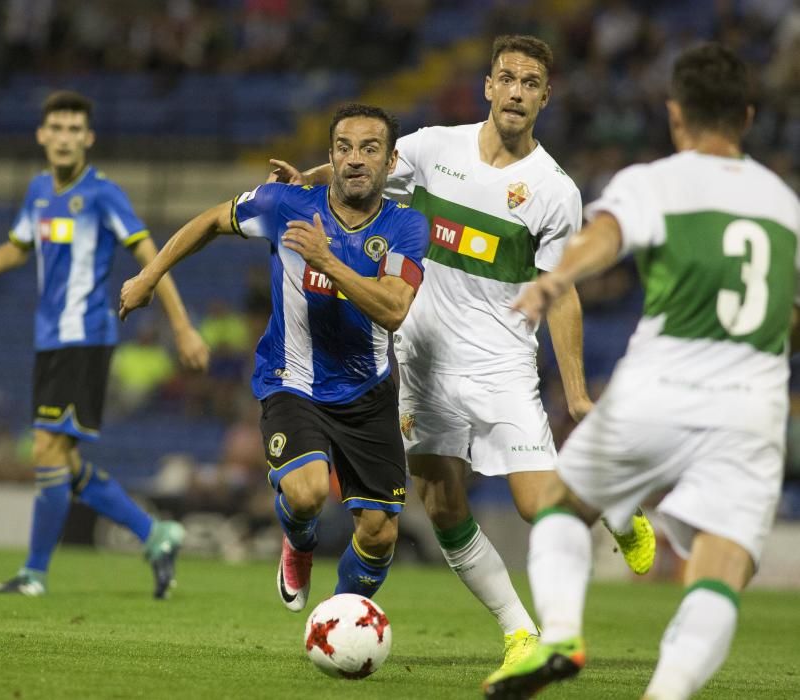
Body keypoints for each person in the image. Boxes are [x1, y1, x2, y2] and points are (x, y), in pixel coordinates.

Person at [269, 34, 656, 666]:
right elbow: (359, 171)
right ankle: (518, 633)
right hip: (421, 366)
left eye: (530, 83)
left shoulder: (554, 190)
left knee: (537, 507)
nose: (516, 92)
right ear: (488, 85)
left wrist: (579, 392)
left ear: (545, 96)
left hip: (501, 366)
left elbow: (562, 295)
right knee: (443, 506)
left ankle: (612, 495)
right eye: (506, 78)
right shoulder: (431, 148)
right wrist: (307, 179)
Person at [483, 43, 800, 699]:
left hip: (657, 388)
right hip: (751, 404)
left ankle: (562, 633)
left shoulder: (653, 180)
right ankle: (666, 692)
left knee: (564, 508)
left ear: (674, 113)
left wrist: (557, 277)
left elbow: (605, 236)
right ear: (744, 115)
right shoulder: (783, 206)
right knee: (722, 566)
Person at [119, 103, 430, 610]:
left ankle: (335, 618)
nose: (355, 159)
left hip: (367, 391)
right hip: (293, 380)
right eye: (344, 148)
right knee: (306, 493)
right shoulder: (284, 204)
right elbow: (211, 221)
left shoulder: (406, 227)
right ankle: (299, 540)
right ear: (330, 154)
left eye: (370, 149)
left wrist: (326, 260)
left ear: (391, 162)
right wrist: (148, 276)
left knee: (378, 535)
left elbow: (394, 308)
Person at [0, 90, 209, 599]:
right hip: (49, 340)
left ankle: (34, 574)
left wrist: (183, 326)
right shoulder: (38, 190)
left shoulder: (103, 194)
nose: (63, 138)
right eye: (54, 128)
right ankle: (156, 534)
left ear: (88, 138)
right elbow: (15, 251)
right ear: (41, 135)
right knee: (66, 462)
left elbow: (154, 259)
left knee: (46, 449)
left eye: (72, 130)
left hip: (86, 337)